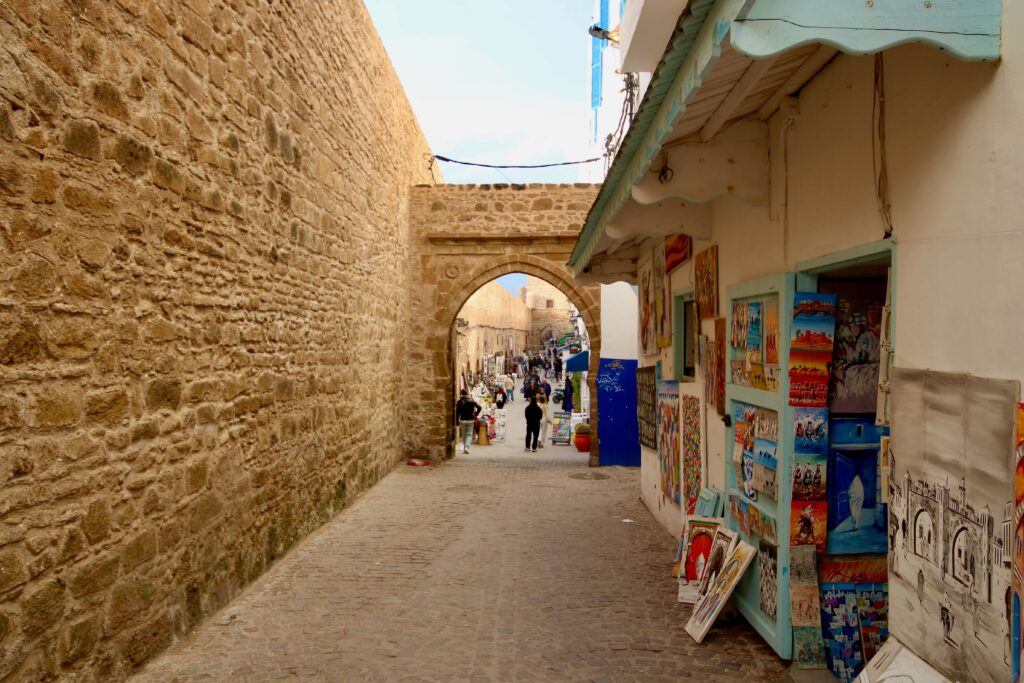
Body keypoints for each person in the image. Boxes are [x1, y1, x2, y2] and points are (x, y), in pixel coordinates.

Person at [456, 389, 481, 454]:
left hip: (462, 420)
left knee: (463, 435)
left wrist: (457, 421)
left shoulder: (459, 402)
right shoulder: (471, 401)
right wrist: (476, 414)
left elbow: (457, 413)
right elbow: (479, 407)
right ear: (467, 393)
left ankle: (465, 447)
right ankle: (467, 447)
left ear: (461, 394)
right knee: (469, 434)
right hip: (470, 420)